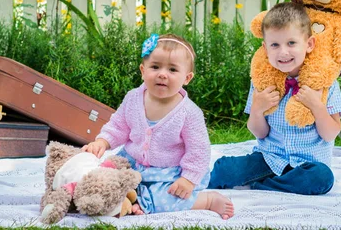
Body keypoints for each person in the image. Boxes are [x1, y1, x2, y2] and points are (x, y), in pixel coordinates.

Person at [83, 33, 234, 219]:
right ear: (142, 70)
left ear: (187, 78)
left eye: (172, 70)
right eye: (155, 67)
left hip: (168, 173)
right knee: (103, 178)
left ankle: (206, 201)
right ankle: (130, 198)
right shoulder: (133, 98)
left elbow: (199, 150)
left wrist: (188, 179)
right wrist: (103, 142)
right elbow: (119, 125)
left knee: (169, 197)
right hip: (131, 162)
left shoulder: (189, 113)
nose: (162, 74)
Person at [208, 2, 341, 195]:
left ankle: (262, 186)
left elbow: (330, 134)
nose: (283, 52)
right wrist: (257, 109)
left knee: (322, 179)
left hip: (309, 163)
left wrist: (316, 105)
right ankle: (274, 182)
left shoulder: (325, 83)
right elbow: (260, 133)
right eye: (275, 45)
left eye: (291, 43)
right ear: (265, 48)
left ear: (309, 44)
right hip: (269, 158)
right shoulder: (262, 82)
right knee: (224, 170)